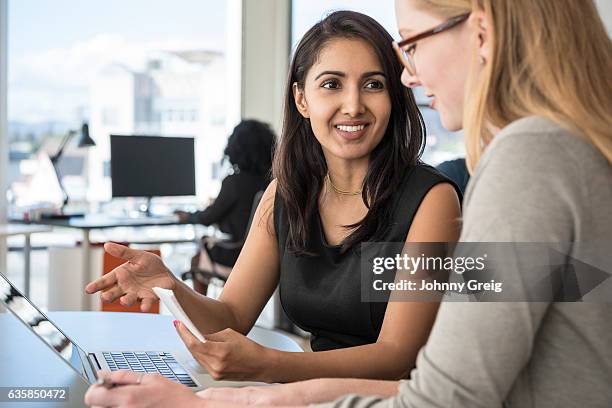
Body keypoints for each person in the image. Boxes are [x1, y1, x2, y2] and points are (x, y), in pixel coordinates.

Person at [190, 0, 612, 406]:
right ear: (302, 98)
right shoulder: (563, 153)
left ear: (482, 33)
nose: (408, 76)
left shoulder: (526, 161)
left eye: (412, 43)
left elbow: (443, 392)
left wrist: (264, 387)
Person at [83, 10, 462, 406]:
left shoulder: (431, 199)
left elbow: (396, 356)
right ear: (302, 98)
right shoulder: (285, 194)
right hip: (309, 396)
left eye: (373, 84)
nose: (353, 105)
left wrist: (270, 366)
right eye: (331, 84)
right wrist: (171, 286)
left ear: (394, 95)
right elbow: (231, 316)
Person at [175, 119, 276, 293]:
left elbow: (209, 217)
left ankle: (200, 314)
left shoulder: (234, 182)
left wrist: (188, 216)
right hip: (261, 255)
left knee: (197, 260)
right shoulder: (272, 182)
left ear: (236, 147)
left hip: (234, 255)